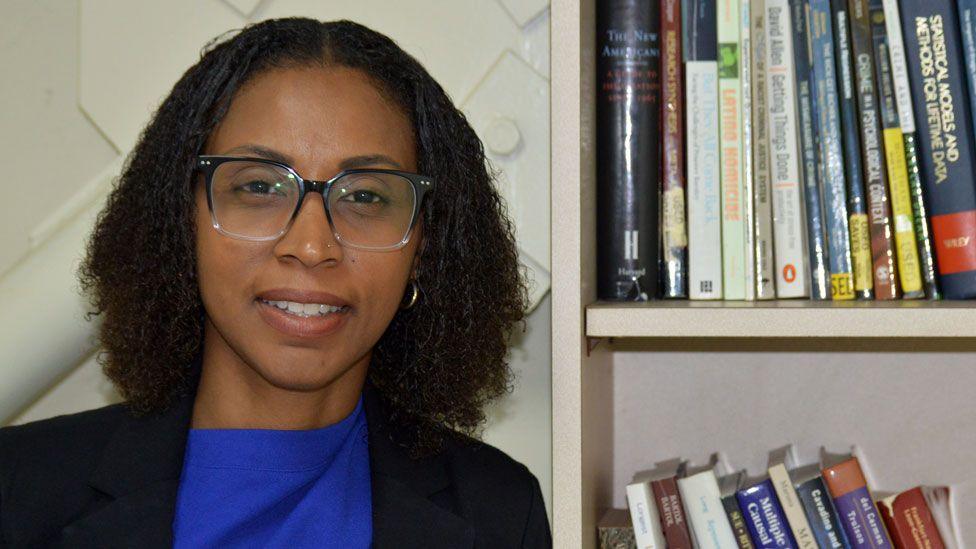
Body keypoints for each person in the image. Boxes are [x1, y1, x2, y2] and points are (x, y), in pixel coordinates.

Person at [0, 17, 550, 548]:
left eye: (364, 195)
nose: (312, 247)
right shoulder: (18, 492)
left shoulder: (499, 513)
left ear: (423, 246)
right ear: (181, 220)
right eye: (260, 187)